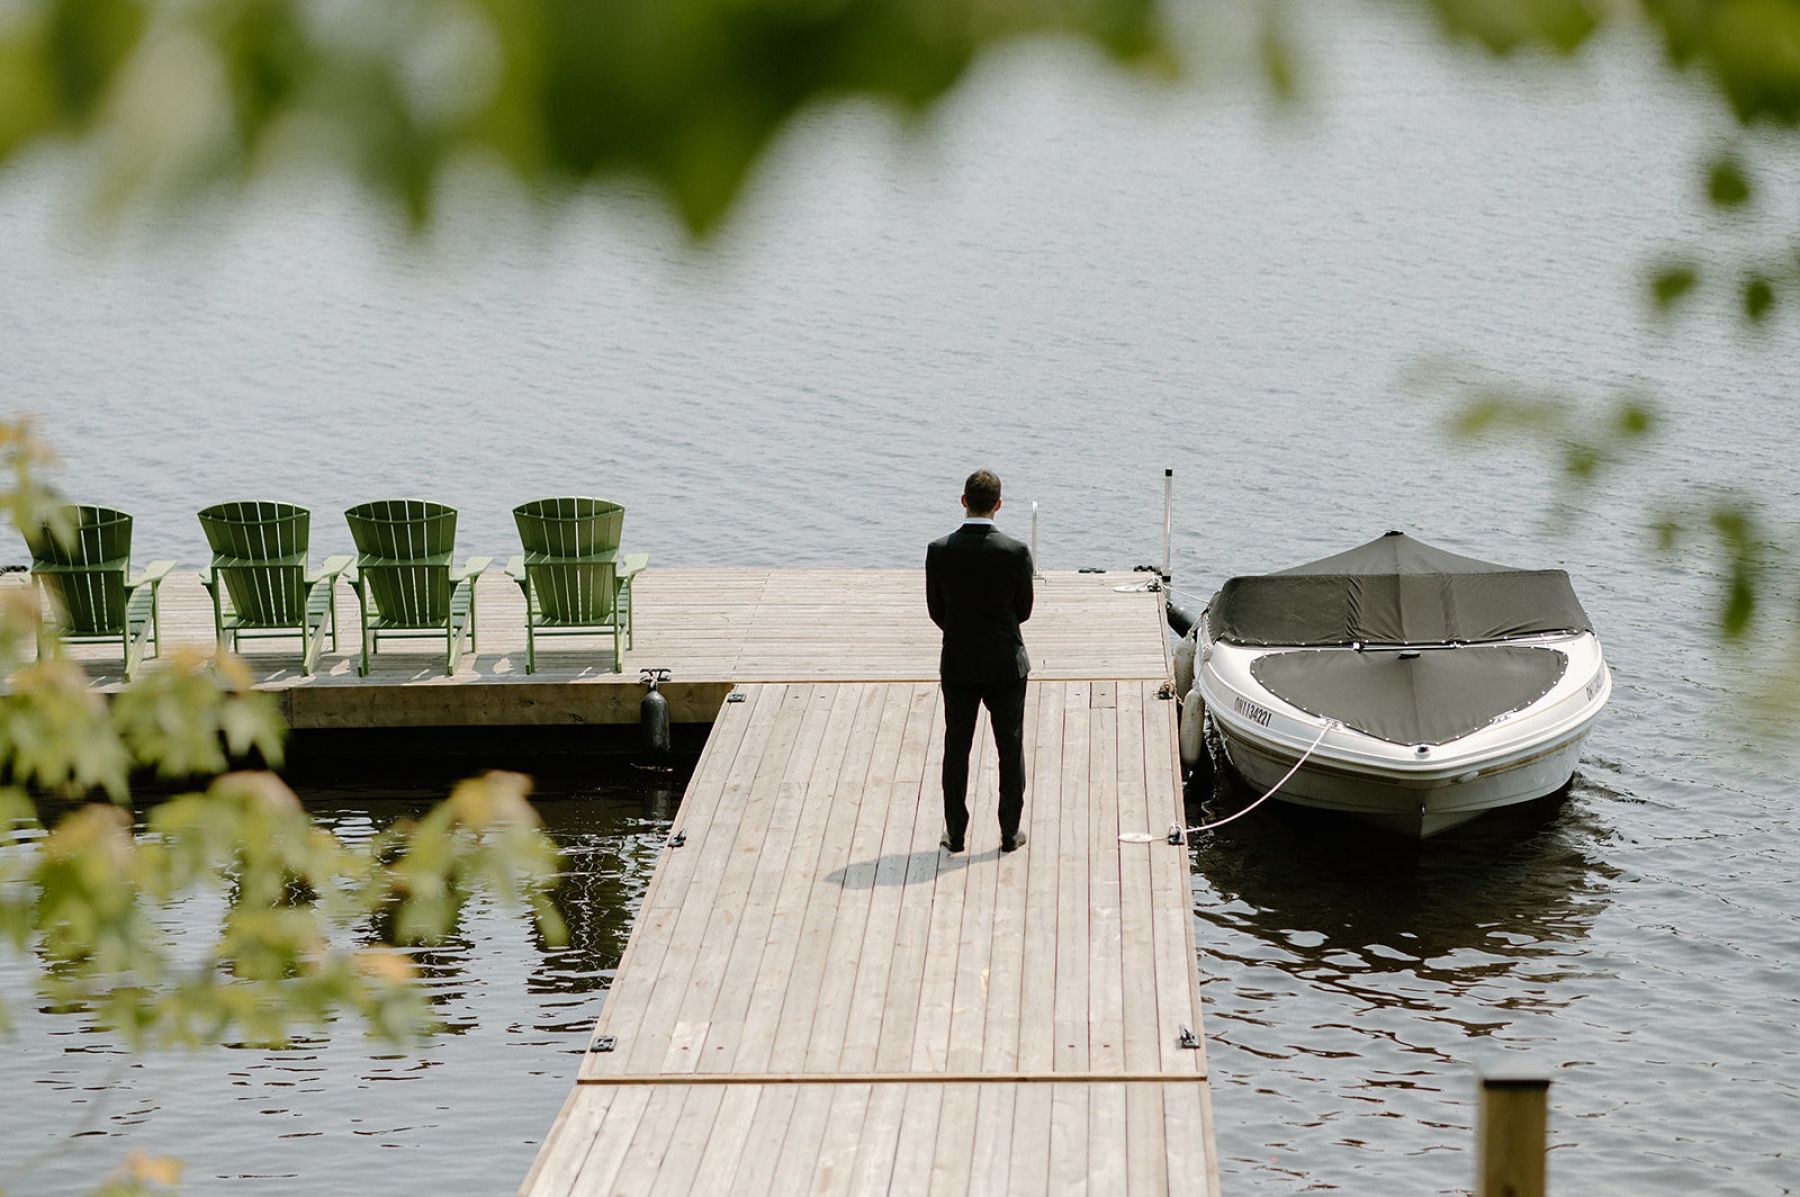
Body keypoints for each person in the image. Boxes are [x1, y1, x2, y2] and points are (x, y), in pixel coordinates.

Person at [925, 468, 1035, 854]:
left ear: (963, 501)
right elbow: (1024, 611)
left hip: (958, 663)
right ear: (999, 505)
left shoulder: (939, 551)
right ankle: (1009, 834)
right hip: (1005, 663)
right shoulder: (1016, 552)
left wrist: (960, 630)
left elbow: (936, 611)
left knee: (957, 747)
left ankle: (955, 833)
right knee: (1010, 747)